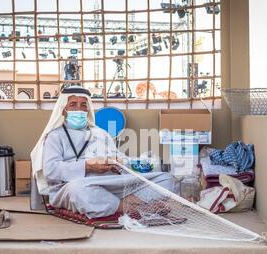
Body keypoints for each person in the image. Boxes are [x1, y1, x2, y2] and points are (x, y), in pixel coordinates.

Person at [31, 86, 177, 219]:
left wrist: (120, 162)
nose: (79, 109)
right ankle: (128, 207)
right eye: (73, 105)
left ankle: (120, 202)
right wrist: (87, 166)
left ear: (88, 109)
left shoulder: (100, 133)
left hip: (112, 183)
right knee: (78, 189)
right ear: (63, 110)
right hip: (77, 186)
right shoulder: (55, 136)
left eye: (83, 105)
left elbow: (119, 157)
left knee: (166, 179)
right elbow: (51, 170)